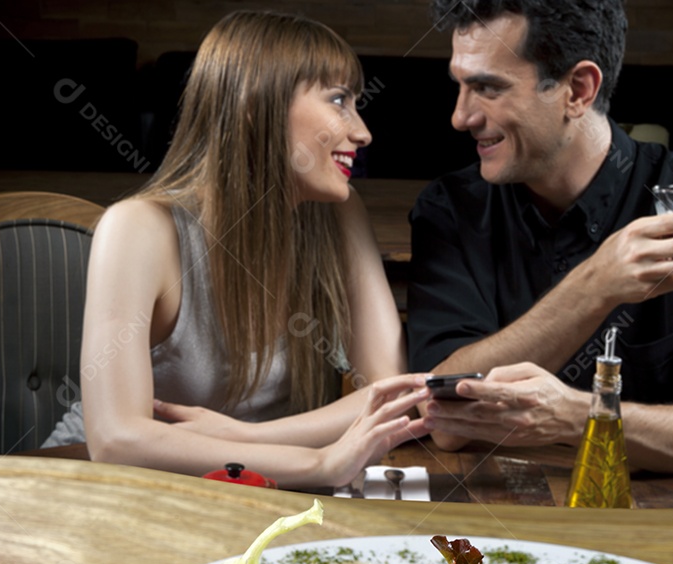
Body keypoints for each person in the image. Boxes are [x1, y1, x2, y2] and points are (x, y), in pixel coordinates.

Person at [407, 0, 673, 492]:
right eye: (460, 85)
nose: (461, 116)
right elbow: (445, 415)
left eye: (488, 87)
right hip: (524, 514)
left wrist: (578, 416)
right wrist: (596, 285)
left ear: (578, 90)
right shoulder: (450, 210)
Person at [45, 11, 430, 488]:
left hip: (253, 489)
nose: (363, 132)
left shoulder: (339, 213)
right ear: (255, 106)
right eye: (338, 101)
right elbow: (118, 441)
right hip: (117, 485)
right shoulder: (139, 227)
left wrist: (250, 438)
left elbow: (388, 397)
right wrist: (319, 464)